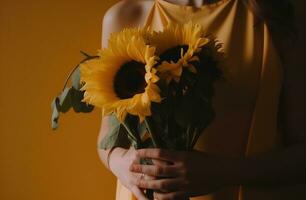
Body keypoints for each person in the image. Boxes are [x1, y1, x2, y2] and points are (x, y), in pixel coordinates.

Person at [97, 0, 306, 199]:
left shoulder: (277, 14)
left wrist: (224, 173)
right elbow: (108, 139)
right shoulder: (124, 16)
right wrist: (122, 163)